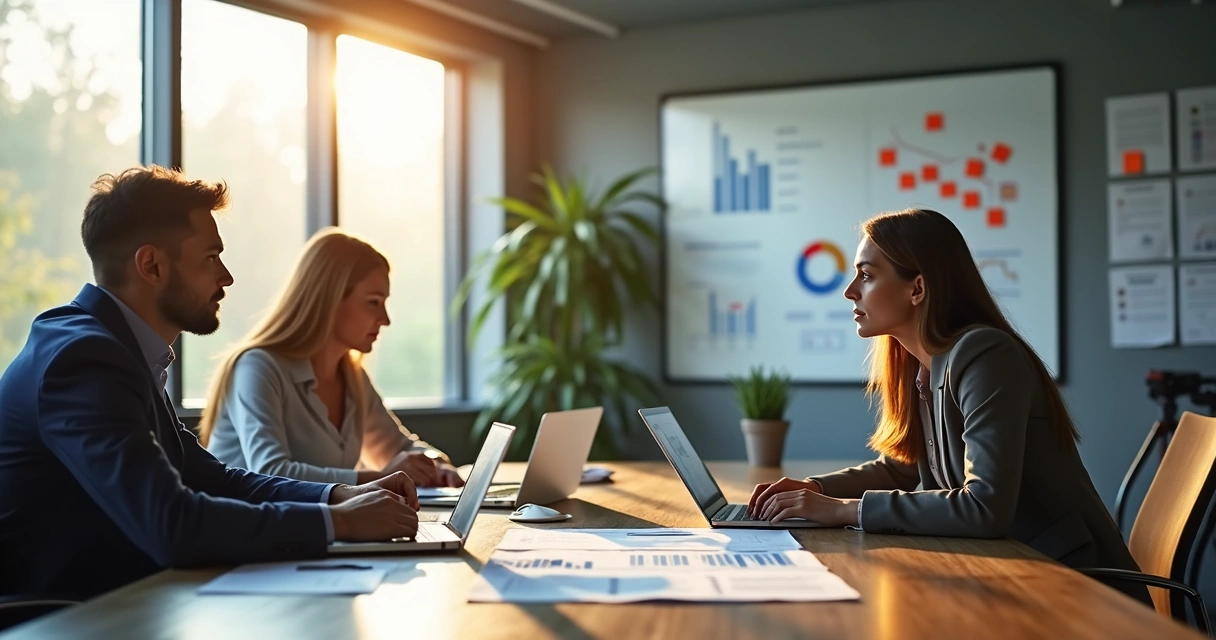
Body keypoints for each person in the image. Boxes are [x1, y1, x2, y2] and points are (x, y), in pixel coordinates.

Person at [0, 166, 421, 599]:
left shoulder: (118, 349)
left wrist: (340, 495)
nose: (226, 276)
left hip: (124, 603)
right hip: (64, 620)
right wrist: (343, 523)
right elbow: (173, 525)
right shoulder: (83, 360)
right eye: (210, 256)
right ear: (152, 265)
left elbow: (218, 480)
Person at [747, 208, 1150, 604]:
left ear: (917, 288)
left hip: (1075, 587)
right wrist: (814, 490)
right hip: (1011, 574)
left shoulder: (986, 354)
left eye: (867, 275)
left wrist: (842, 511)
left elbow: (983, 506)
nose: (850, 290)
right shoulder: (922, 364)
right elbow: (902, 466)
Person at [199, 228, 463, 488]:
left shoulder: (351, 375)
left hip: (311, 527)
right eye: (373, 302)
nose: (385, 319)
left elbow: (399, 448)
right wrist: (380, 479)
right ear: (330, 299)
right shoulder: (258, 368)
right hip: (244, 527)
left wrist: (436, 465)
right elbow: (271, 472)